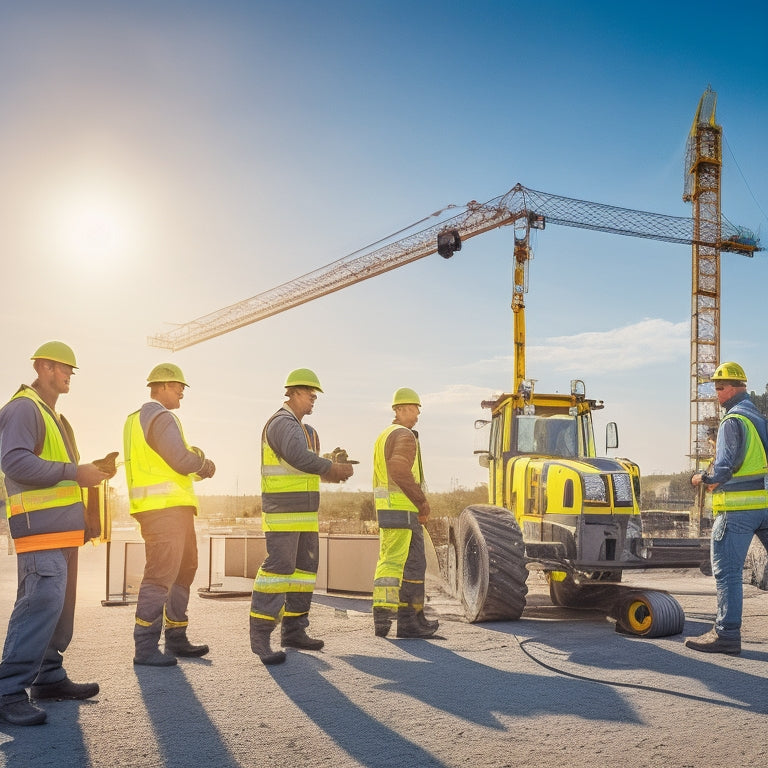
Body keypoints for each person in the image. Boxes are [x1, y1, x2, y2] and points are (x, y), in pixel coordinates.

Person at [0, 342, 114, 726]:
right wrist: (74, 472)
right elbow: (14, 462)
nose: (69, 375)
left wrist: (90, 473)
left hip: (63, 530)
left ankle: (48, 677)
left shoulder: (55, 418)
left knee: (59, 610)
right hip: (39, 532)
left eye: (71, 370)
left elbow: (61, 470)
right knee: (39, 605)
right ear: (43, 367)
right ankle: (7, 691)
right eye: (64, 368)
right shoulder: (23, 408)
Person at [250, 369, 353, 665]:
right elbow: (298, 457)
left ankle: (294, 630)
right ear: (294, 393)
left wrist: (334, 468)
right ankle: (261, 637)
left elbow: (306, 469)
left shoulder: (303, 428)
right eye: (311, 394)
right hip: (283, 514)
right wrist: (331, 467)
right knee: (277, 571)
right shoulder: (283, 423)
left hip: (304, 514)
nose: (314, 399)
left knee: (303, 573)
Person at [124, 363, 216, 667]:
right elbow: (180, 459)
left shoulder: (136, 420)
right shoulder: (160, 416)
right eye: (178, 386)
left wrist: (195, 468)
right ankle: (145, 648)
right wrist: (202, 462)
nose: (182, 392)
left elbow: (165, 462)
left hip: (168, 509)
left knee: (184, 568)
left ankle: (176, 637)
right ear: (162, 386)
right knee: (160, 574)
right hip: (164, 511)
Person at [686, 362, 768, 655]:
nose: (716, 393)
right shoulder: (759, 418)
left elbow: (725, 467)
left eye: (719, 387)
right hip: (764, 505)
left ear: (732, 387)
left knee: (728, 573)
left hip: (737, 510)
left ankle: (727, 635)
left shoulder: (732, 421)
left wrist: (702, 478)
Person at [371, 388, 439, 639]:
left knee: (389, 562)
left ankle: (383, 617)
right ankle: (410, 621)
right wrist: (422, 502)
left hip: (388, 510)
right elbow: (399, 470)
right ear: (400, 410)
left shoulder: (383, 436)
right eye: (414, 409)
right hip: (404, 510)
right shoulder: (404, 435)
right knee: (413, 565)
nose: (418, 415)